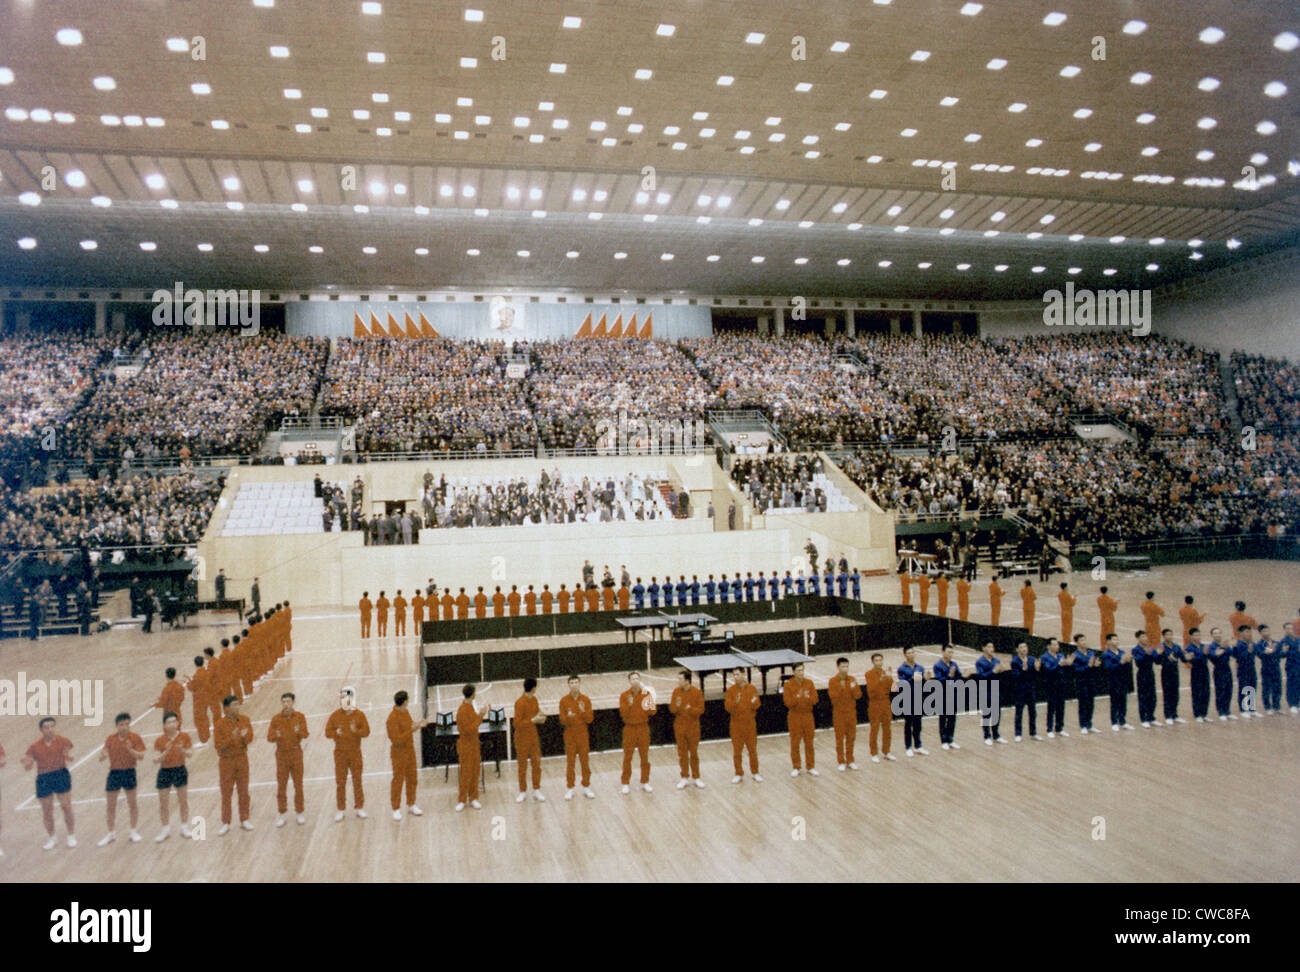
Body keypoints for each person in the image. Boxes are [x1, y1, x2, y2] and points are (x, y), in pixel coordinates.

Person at [23, 717, 76, 850]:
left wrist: (68, 757)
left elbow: (68, 754)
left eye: (52, 726)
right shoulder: (34, 747)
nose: (50, 729)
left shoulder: (63, 741)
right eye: (46, 727)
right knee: (47, 811)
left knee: (66, 806)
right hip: (44, 778)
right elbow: (28, 766)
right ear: (41, 730)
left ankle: (71, 835)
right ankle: (52, 838)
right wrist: (27, 763)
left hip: (60, 774)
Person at [96, 712, 146, 846]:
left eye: (126, 724)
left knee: (132, 803)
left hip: (129, 772)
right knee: (110, 805)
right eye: (121, 725)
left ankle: (133, 831)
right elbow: (104, 751)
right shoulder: (110, 739)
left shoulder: (135, 738)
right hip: (114, 774)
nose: (124, 727)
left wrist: (131, 750)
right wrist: (103, 755)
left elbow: (141, 756)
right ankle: (111, 834)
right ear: (117, 726)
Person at [325, 686, 370, 820]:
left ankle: (359, 807)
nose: (342, 701)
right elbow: (327, 733)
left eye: (345, 698)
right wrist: (335, 733)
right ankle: (341, 809)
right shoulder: (334, 716)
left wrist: (356, 731)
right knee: (340, 782)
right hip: (340, 754)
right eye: (341, 698)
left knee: (357, 781)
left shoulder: (360, 715)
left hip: (355, 753)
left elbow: (367, 732)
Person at [214, 696, 254, 834]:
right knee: (226, 793)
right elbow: (218, 745)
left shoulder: (245, 720)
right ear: (226, 708)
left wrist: (243, 737)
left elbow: (250, 738)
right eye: (234, 705)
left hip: (242, 759)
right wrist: (232, 737)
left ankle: (244, 819)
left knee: (243, 791)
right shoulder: (219, 725)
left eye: (238, 704)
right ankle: (225, 822)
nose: (237, 707)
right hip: (226, 761)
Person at [268, 692, 309, 826]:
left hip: (296, 753)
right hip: (281, 755)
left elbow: (305, 734)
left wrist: (298, 732)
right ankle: (282, 813)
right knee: (281, 786)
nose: (286, 704)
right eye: (284, 701)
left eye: (288, 702)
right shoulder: (275, 719)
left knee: (298, 785)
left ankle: (299, 812)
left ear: (293, 703)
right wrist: (276, 735)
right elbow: (269, 737)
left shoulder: (300, 717)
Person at [152, 711, 194, 842]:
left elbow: (190, 754)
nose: (172, 724)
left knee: (183, 800)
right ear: (164, 725)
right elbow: (155, 759)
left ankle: (184, 827)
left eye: (174, 721)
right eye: (169, 722)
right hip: (164, 772)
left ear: (178, 723)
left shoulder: (184, 737)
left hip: (180, 770)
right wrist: (165, 752)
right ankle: (165, 829)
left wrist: (182, 749)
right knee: (163, 803)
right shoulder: (160, 740)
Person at [387, 690, 426, 820]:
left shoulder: (405, 712)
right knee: (398, 780)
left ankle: (411, 804)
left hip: (410, 750)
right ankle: (396, 808)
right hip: (399, 754)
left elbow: (410, 725)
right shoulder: (391, 719)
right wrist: (411, 729)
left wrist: (419, 724)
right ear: (404, 701)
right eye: (407, 700)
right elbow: (396, 740)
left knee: (412, 778)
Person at [558, 675, 595, 799]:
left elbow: (590, 719)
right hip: (570, 735)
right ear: (569, 685)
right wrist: (569, 716)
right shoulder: (564, 701)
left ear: (579, 684)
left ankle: (586, 787)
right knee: (570, 763)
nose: (574, 684)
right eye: (572, 682)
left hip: (583, 735)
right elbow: (562, 720)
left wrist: (583, 711)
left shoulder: (586, 700)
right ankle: (570, 788)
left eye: (576, 682)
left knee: (585, 762)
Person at [724, 667, 762, 782]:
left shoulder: (752, 688)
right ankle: (738, 773)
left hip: (750, 724)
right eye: (734, 675)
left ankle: (755, 772)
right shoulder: (730, 691)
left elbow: (757, 704)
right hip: (736, 725)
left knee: (752, 750)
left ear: (743, 675)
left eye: (737, 674)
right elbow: (728, 708)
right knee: (737, 751)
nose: (735, 677)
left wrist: (753, 702)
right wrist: (735, 702)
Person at [619, 672, 654, 793]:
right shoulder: (624, 695)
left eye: (637, 678)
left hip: (643, 728)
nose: (635, 681)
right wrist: (629, 704)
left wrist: (651, 701)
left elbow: (652, 711)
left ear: (640, 680)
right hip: (629, 729)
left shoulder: (646, 694)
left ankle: (645, 781)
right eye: (633, 679)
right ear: (629, 681)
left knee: (644, 757)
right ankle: (625, 783)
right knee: (627, 757)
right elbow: (623, 714)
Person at [670, 670, 705, 788]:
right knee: (682, 754)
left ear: (687, 680)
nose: (678, 681)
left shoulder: (697, 692)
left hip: (693, 728)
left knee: (694, 753)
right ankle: (684, 777)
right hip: (679, 727)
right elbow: (672, 709)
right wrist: (677, 705)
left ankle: (696, 777)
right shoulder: (676, 692)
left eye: (680, 679)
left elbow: (701, 710)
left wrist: (690, 709)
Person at [513, 678, 547, 802]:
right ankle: (522, 791)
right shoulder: (520, 703)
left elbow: (538, 713)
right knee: (522, 766)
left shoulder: (535, 700)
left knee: (536, 764)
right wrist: (533, 720)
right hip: (521, 738)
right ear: (534, 688)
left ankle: (536, 789)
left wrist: (542, 716)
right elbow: (516, 723)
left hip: (533, 736)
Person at [783, 662, 819, 775]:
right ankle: (796, 767)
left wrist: (808, 698)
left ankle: (810, 766)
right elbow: (787, 703)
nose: (801, 672)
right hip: (795, 716)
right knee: (795, 743)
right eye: (799, 670)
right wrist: (797, 698)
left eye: (802, 670)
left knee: (809, 743)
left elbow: (815, 700)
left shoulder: (809, 683)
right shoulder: (788, 685)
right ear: (793, 672)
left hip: (808, 716)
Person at [827, 657, 862, 769]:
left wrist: (852, 688)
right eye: (843, 667)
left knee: (851, 737)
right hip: (839, 714)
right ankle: (841, 761)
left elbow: (858, 695)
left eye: (847, 666)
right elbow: (834, 699)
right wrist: (842, 688)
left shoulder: (852, 679)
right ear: (838, 667)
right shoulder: (833, 681)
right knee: (840, 738)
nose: (845, 669)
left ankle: (850, 760)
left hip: (851, 713)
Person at [456, 684, 486, 811]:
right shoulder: (462, 710)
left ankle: (473, 798)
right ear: (472, 694)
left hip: (474, 744)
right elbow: (469, 728)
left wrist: (479, 714)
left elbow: (473, 721)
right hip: (466, 745)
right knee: (465, 773)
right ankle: (462, 800)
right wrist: (481, 716)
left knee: (475, 771)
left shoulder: (470, 707)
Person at [897, 647, 929, 757]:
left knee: (918, 724)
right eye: (909, 653)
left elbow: (923, 683)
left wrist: (926, 679)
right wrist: (913, 678)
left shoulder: (920, 667)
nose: (911, 654)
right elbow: (903, 683)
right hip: (907, 699)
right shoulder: (901, 669)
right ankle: (908, 747)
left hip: (918, 699)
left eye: (912, 652)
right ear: (905, 655)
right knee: (908, 724)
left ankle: (918, 746)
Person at [864, 653, 895, 762]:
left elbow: (892, 688)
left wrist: (890, 677)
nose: (879, 663)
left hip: (885, 703)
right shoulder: (868, 674)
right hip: (875, 704)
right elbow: (871, 690)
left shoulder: (885, 673)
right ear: (873, 662)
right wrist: (881, 679)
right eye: (877, 660)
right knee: (875, 728)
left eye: (881, 660)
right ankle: (874, 753)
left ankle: (886, 751)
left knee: (887, 729)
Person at [974, 642, 1007, 744]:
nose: (991, 649)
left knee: (996, 712)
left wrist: (1001, 671)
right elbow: (982, 676)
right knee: (986, 714)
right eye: (989, 647)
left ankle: (996, 734)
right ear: (983, 648)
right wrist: (993, 672)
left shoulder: (996, 660)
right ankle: (987, 736)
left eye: (992, 647)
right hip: (985, 690)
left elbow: (999, 675)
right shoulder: (979, 662)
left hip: (995, 689)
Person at [1009, 643, 1041, 741]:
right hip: (1020, 690)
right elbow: (1015, 676)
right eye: (1021, 647)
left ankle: (1033, 733)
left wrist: (1037, 669)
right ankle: (1018, 734)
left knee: (1033, 712)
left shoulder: (1032, 659)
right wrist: (1023, 670)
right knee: (1019, 711)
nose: (1024, 649)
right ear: (1017, 650)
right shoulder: (1015, 661)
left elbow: (1035, 675)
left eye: (1025, 647)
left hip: (1030, 689)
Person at [932, 645, 962, 749]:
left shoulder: (954, 664)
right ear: (943, 652)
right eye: (949, 652)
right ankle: (943, 740)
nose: (950, 654)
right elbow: (940, 681)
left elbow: (958, 677)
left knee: (952, 718)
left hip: (952, 694)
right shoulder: (937, 665)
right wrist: (949, 676)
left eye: (952, 652)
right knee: (943, 718)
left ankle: (950, 739)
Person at [1101, 634, 1134, 730]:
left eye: (1117, 639)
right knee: (1115, 701)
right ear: (1108, 642)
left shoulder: (1122, 652)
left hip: (1122, 680)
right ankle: (1114, 722)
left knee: (1123, 701)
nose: (1117, 641)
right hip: (1113, 681)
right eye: (1114, 639)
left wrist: (1128, 661)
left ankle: (1122, 721)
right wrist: (1121, 662)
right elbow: (1108, 667)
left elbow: (1127, 667)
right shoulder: (1106, 654)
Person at [1070, 634, 1100, 734]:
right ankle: (1083, 725)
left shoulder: (1091, 653)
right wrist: (1089, 666)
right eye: (1081, 640)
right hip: (1081, 682)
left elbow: (1093, 667)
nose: (1084, 642)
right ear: (1077, 643)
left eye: (1084, 640)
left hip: (1091, 681)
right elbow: (1076, 670)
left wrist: (1095, 665)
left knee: (1091, 703)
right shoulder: (1075, 655)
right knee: (1083, 703)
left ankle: (1089, 724)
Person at [1155, 630, 1186, 725]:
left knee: (1175, 693)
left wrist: (1188, 657)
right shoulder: (1161, 647)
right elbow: (1157, 661)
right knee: (1167, 693)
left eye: (1171, 634)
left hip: (1175, 672)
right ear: (1164, 636)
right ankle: (1168, 715)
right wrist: (1163, 657)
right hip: (1166, 672)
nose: (1170, 636)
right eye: (1167, 634)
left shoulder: (1176, 647)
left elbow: (1183, 658)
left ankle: (1175, 714)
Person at [1038, 638, 1068, 737]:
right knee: (1052, 707)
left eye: (1057, 645)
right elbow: (1048, 670)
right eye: (1054, 645)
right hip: (1051, 684)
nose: (1057, 647)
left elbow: (1064, 669)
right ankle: (1049, 728)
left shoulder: (1061, 655)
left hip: (1061, 684)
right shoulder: (1044, 657)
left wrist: (1066, 664)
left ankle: (1059, 728)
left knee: (1061, 706)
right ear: (1048, 646)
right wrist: (1059, 665)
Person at [1131, 632, 1160, 727]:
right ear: (1138, 638)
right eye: (1142, 636)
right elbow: (1138, 662)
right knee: (1143, 696)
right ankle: (1143, 718)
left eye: (1145, 636)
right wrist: (1146, 654)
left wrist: (1158, 654)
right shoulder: (1135, 649)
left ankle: (1151, 717)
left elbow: (1157, 661)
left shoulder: (1150, 648)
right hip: (1142, 674)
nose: (1145, 638)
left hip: (1150, 673)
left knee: (1152, 696)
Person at [1207, 627, 1237, 720]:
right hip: (1218, 670)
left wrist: (1234, 646)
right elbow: (1213, 656)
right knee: (1220, 690)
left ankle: (1227, 711)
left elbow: (1233, 655)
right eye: (1215, 633)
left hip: (1227, 669)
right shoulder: (1211, 646)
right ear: (1212, 635)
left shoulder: (1226, 645)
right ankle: (1221, 712)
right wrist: (1222, 648)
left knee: (1228, 690)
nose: (1217, 635)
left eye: (1219, 633)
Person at [1184, 627, 1211, 722]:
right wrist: (1202, 654)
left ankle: (1204, 713)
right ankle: (1197, 714)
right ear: (1191, 636)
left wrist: (1207, 654)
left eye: (1199, 635)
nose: (1198, 637)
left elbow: (1209, 656)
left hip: (1205, 670)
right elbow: (1191, 659)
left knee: (1206, 691)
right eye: (1195, 635)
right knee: (1197, 692)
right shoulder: (1189, 647)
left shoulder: (1204, 646)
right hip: (1196, 670)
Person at [1232, 625, 1260, 718]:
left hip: (1252, 669)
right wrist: (1248, 651)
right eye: (1246, 632)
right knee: (1244, 688)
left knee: (1252, 687)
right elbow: (1237, 656)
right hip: (1243, 669)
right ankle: (1243, 709)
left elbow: (1260, 650)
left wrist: (1272, 649)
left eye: (1249, 631)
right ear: (1241, 633)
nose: (1248, 634)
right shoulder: (1238, 644)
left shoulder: (1251, 643)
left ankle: (1252, 709)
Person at [1256, 624, 1283, 715]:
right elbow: (1260, 655)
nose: (1266, 633)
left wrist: (1275, 652)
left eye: (1267, 631)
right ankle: (1267, 707)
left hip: (1276, 667)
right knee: (1267, 688)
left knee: (1277, 687)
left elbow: (1280, 654)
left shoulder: (1276, 642)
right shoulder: (1259, 644)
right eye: (1264, 631)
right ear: (1260, 633)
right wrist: (1268, 652)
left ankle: (1276, 706)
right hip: (1266, 668)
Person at [1282, 621, 1300, 714]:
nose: (1290, 630)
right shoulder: (1284, 641)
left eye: (1291, 628)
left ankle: (1297, 704)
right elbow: (1281, 654)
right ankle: (1292, 704)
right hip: (1291, 666)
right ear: (1285, 630)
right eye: (1288, 628)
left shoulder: (1298, 639)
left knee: (1298, 685)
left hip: (1299, 665)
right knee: (1291, 685)